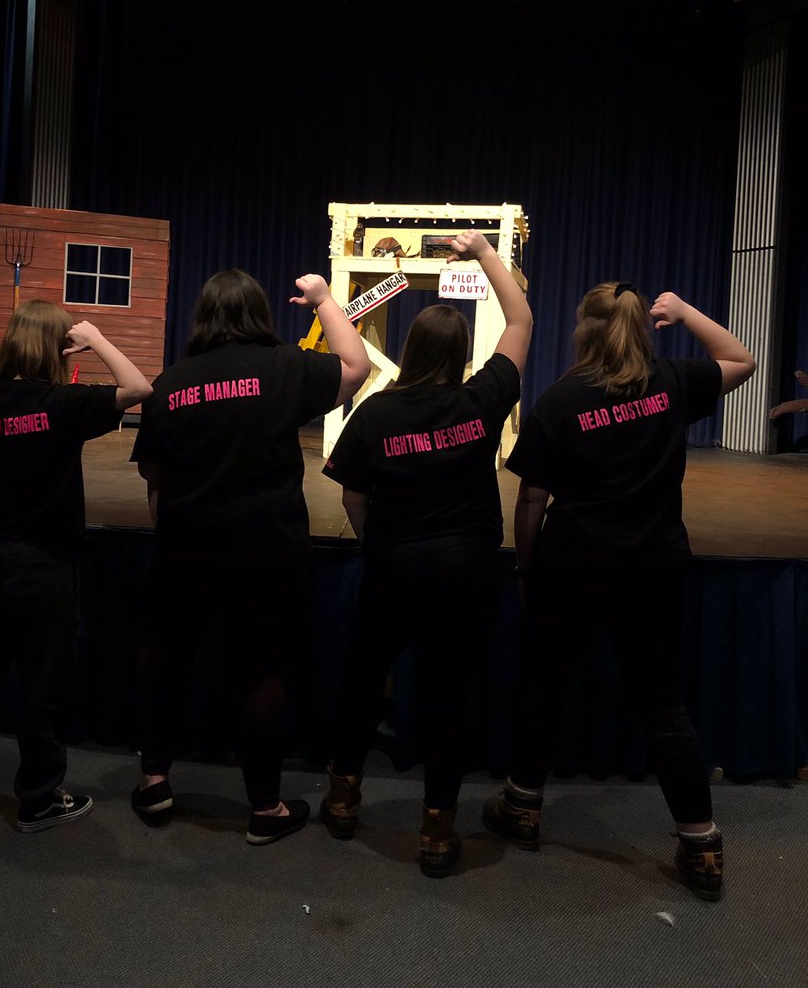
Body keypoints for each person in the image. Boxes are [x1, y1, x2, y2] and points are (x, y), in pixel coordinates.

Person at [486, 284, 755, 900]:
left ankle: (522, 808)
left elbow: (531, 500)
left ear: (585, 330)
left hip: (572, 566)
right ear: (642, 328)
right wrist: (686, 313)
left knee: (543, 689)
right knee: (662, 704)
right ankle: (701, 844)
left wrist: (527, 571)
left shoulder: (561, 400)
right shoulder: (671, 381)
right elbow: (743, 360)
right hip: (654, 567)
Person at [320, 230, 533, 877]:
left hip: (396, 568)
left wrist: (380, 542)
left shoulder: (378, 415)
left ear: (408, 351)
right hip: (466, 572)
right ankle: (438, 830)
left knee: (362, 682)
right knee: (447, 698)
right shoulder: (482, 399)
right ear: (464, 352)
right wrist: (484, 253)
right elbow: (521, 317)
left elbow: (354, 497)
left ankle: (343, 795)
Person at [131, 268, 369, 844]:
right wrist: (323, 301)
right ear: (259, 314)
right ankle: (265, 810)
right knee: (259, 673)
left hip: (186, 547)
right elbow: (356, 367)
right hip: (266, 549)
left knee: (168, 661)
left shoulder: (170, 384)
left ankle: (156, 783)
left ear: (202, 317)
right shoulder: (283, 366)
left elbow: (152, 473)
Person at [0, 301, 152, 832]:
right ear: (58, 349)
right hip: (44, 563)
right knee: (43, 680)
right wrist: (96, 338)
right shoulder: (61, 403)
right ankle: (38, 798)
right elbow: (139, 388)